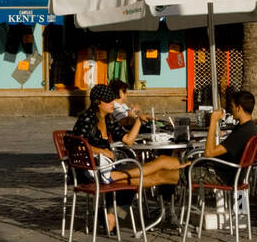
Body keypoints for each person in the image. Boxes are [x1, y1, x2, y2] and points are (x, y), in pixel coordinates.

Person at [71, 84, 182, 234]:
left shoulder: (108, 119)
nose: (113, 104)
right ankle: (112, 216)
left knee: (135, 177)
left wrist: (138, 121)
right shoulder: (86, 119)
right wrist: (101, 150)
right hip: (89, 170)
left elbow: (128, 139)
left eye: (113, 100)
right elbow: (77, 145)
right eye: (109, 101)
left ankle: (112, 216)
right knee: (135, 176)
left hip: (106, 168)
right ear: (98, 103)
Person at [201, 91, 257, 185]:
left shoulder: (243, 131)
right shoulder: (250, 127)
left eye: (232, 106)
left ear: (238, 108)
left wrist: (213, 121)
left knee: (172, 171)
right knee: (178, 164)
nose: (231, 110)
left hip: (219, 175)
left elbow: (209, 153)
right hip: (220, 169)